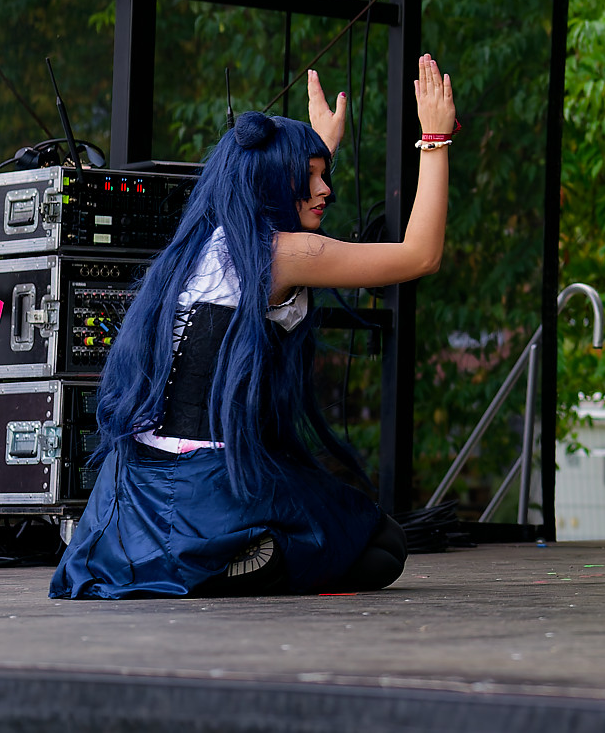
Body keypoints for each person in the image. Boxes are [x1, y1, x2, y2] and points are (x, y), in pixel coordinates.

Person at [51, 56, 457, 599]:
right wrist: (434, 138)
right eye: (311, 177)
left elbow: (280, 198)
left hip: (137, 489)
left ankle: (209, 557)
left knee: (367, 539)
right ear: (274, 182)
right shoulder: (281, 253)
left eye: (324, 174)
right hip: (202, 486)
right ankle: (216, 560)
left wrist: (317, 148)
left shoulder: (206, 244)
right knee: (381, 550)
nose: (326, 190)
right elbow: (421, 255)